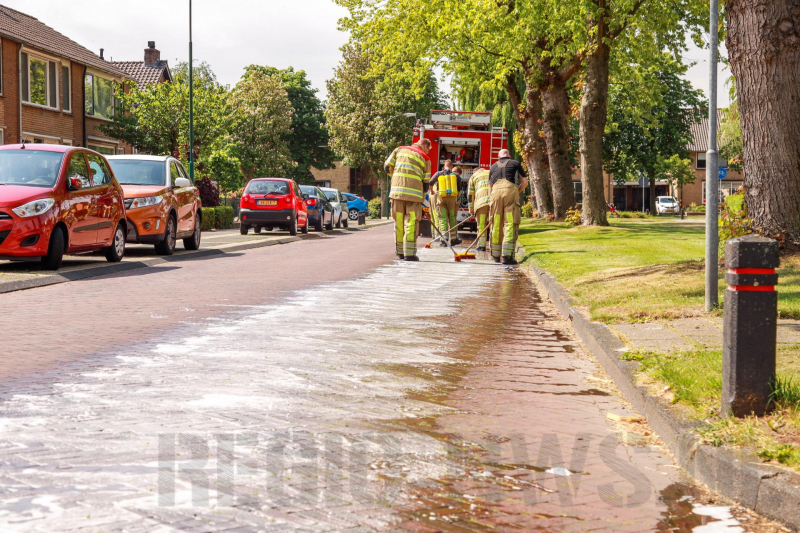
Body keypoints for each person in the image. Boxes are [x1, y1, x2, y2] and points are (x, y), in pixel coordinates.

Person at [384, 138, 432, 261]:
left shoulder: (398, 150)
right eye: (429, 149)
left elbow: (386, 167)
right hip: (414, 197)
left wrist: (395, 178)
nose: (428, 152)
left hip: (397, 194)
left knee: (398, 223)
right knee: (410, 223)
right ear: (425, 146)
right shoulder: (425, 159)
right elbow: (426, 182)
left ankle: (400, 252)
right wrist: (422, 196)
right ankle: (409, 254)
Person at [489, 149, 529, 265]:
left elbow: (490, 188)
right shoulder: (515, 163)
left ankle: (496, 255)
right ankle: (507, 256)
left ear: (498, 156)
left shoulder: (493, 166)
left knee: (496, 223)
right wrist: (516, 191)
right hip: (510, 193)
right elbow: (525, 183)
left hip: (495, 194)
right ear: (509, 155)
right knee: (510, 223)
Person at [429, 160, 462, 246]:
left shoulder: (438, 173)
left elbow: (430, 182)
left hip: (441, 199)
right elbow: (458, 191)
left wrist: (432, 191)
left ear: (444, 166)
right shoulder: (457, 176)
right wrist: (456, 199)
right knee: (452, 218)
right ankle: (454, 239)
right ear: (452, 167)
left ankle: (444, 241)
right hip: (452, 199)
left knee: (443, 219)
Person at [467, 166, 491, 251]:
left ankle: (481, 246)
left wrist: (471, 210)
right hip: (493, 202)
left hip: (481, 204)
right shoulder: (490, 172)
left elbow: (470, 195)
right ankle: (494, 247)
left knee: (481, 224)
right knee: (493, 224)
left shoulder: (473, 177)